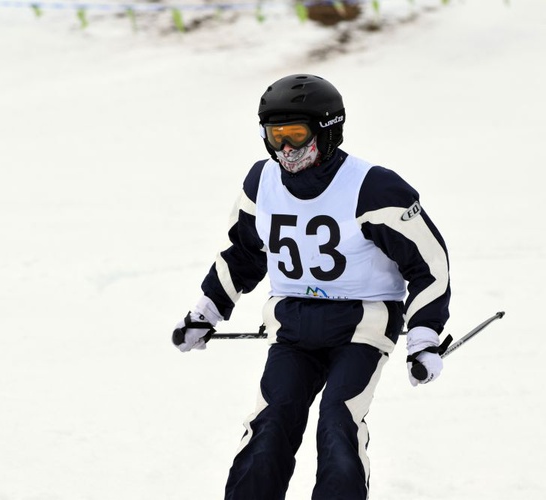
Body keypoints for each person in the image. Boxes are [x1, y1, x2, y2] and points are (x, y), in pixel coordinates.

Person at [171, 74, 451, 500]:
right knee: (271, 422)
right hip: (292, 329)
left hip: (361, 329)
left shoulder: (372, 186)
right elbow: (244, 253)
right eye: (275, 135)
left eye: (296, 135)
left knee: (338, 421)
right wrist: (205, 311)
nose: (285, 149)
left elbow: (429, 264)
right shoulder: (261, 182)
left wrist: (425, 336)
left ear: (328, 130)